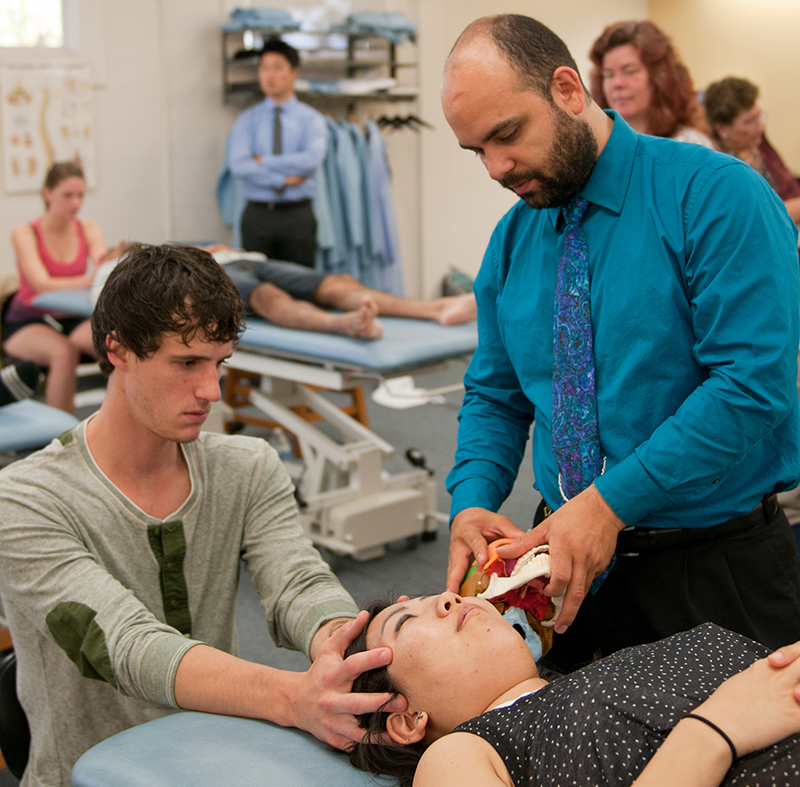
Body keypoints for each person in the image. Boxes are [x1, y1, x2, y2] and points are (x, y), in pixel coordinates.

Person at [440, 14, 800, 675]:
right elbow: (495, 393)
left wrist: (610, 502)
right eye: (477, 152)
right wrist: (472, 500)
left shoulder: (716, 196)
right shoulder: (513, 240)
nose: (496, 168)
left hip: (711, 568)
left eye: (507, 135)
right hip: (561, 573)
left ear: (568, 90)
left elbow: (751, 387)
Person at [0, 243, 405, 787]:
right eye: (187, 363)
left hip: (216, 760)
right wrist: (290, 696)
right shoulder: (24, 499)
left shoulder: (245, 466)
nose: (211, 390)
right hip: (82, 775)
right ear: (117, 348)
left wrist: (345, 642)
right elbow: (126, 643)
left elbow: (297, 581)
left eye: (220, 363)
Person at [344, 592, 800, 787]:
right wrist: (713, 732)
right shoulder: (459, 754)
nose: (449, 597)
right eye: (405, 623)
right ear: (406, 720)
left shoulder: (596, 674)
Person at [91, 245, 477, 340]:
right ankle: (342, 324)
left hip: (244, 257)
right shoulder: (116, 270)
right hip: (208, 276)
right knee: (266, 296)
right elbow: (114, 304)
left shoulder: (169, 245)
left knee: (335, 283)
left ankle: (435, 308)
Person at [3, 161, 109, 413]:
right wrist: (88, 279)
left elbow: (104, 272)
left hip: (73, 317)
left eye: (80, 195)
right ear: (47, 194)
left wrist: (98, 273)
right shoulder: (25, 233)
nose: (76, 203)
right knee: (64, 352)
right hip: (28, 321)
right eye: (68, 195)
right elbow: (42, 285)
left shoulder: (88, 228)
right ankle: (61, 441)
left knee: (116, 342)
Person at [228, 38, 326, 268]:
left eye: (277, 67)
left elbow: (311, 160)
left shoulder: (311, 119)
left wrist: (264, 161)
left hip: (298, 215)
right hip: (257, 214)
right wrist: (282, 179)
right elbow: (239, 165)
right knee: (255, 289)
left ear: (294, 72)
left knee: (302, 285)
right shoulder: (247, 120)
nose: (269, 75)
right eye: (264, 67)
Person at [588, 20, 713, 147]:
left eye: (630, 72)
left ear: (660, 78)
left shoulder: (690, 145)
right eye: (609, 75)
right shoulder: (595, 146)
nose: (617, 83)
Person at [703, 76, 800, 225]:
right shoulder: (722, 168)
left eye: (759, 116)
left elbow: (787, 184)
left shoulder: (758, 143)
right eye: (749, 121)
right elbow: (760, 219)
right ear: (722, 128)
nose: (760, 127)